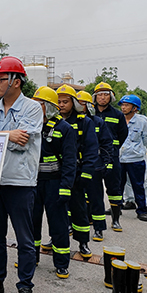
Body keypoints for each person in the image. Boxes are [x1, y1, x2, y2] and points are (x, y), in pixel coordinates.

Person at [0, 56, 42, 293]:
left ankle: (25, 286)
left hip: (20, 182)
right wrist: (8, 136)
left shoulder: (32, 108)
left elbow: (23, 141)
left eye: (1, 79)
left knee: (25, 238)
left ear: (16, 81)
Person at [31, 86, 76, 279]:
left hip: (55, 184)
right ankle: (31, 258)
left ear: (49, 107)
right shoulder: (31, 126)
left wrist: (66, 187)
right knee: (31, 223)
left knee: (58, 225)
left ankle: (61, 263)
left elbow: (70, 161)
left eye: (38, 105)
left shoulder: (65, 129)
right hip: (32, 183)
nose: (34, 108)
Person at [56, 85, 97, 256]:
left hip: (77, 174)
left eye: (65, 102)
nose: (61, 105)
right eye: (58, 101)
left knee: (79, 210)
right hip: (57, 173)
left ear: (73, 103)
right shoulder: (52, 121)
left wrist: (86, 173)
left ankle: (83, 242)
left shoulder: (84, 122)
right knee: (57, 211)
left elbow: (92, 149)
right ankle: (57, 238)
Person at [76, 90, 115, 239]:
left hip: (94, 165)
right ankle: (73, 225)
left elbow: (107, 144)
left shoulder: (98, 122)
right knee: (76, 199)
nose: (79, 106)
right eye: (77, 103)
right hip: (77, 165)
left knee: (96, 198)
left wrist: (107, 163)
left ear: (89, 106)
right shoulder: (73, 122)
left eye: (82, 104)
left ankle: (99, 228)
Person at [93, 82, 128, 229]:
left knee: (114, 189)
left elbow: (123, 134)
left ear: (111, 97)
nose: (102, 97)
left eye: (106, 95)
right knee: (92, 190)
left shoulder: (118, 114)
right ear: (95, 97)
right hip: (93, 157)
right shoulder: (89, 113)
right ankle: (91, 219)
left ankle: (115, 220)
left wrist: (113, 149)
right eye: (100, 95)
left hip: (111, 157)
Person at [118, 95, 147, 222]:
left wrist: (138, 150)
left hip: (136, 158)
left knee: (138, 185)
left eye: (127, 105)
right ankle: (116, 208)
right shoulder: (118, 119)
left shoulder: (142, 121)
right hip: (119, 158)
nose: (123, 107)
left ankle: (142, 210)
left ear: (135, 108)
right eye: (122, 105)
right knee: (118, 185)